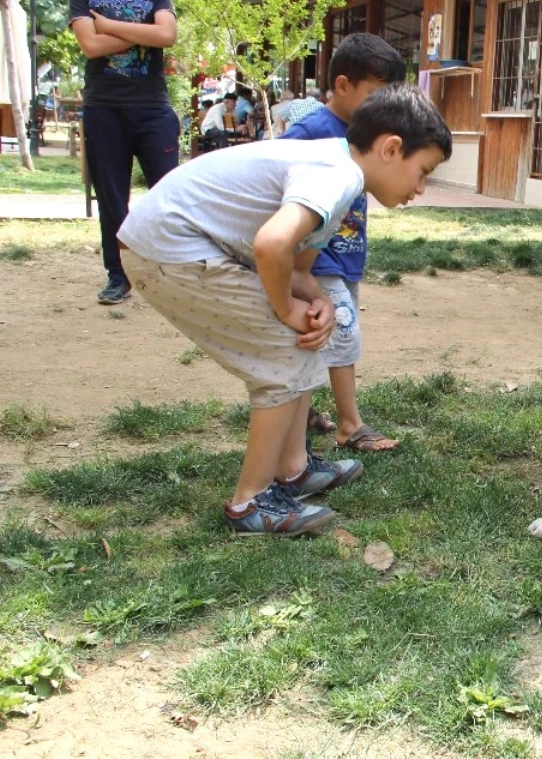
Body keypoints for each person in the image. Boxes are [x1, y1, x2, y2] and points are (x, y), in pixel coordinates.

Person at [116, 83, 452, 534]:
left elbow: (296, 269)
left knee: (306, 334)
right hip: (168, 246)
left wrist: (318, 304)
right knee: (284, 346)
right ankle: (249, 503)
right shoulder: (338, 175)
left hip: (170, 242)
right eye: (424, 171)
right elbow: (271, 244)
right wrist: (285, 310)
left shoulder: (338, 170)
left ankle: (292, 469)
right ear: (392, 148)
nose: (423, 188)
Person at [280, 34, 406, 452]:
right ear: (342, 85)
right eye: (374, 94)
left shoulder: (365, 131)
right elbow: (274, 176)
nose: (382, 107)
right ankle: (350, 425)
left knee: (320, 335)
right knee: (343, 331)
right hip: (314, 259)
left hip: (347, 254)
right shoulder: (312, 130)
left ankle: (308, 411)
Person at [69, 0, 180, 305]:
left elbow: (167, 36)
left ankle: (176, 273)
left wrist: (109, 26)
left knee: (171, 196)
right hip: (104, 109)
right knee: (112, 199)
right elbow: (91, 46)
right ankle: (119, 277)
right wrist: (141, 32)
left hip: (153, 109)